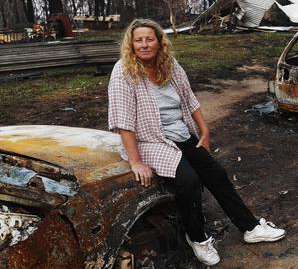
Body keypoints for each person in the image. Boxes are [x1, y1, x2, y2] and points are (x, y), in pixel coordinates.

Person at [108, 19, 285, 266]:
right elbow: (123, 119)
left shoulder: (170, 65)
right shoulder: (123, 71)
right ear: (131, 44)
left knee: (216, 173)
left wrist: (204, 132)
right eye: (138, 40)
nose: (144, 44)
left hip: (180, 133)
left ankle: (251, 227)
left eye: (150, 39)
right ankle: (197, 237)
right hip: (149, 140)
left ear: (160, 42)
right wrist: (136, 161)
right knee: (189, 179)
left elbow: (190, 100)